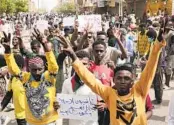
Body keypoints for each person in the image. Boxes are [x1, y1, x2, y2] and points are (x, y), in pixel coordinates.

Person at [63, 27, 166, 124]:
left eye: (126, 78)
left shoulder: (139, 90)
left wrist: (157, 46)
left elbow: (149, 70)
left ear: (132, 80)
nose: (122, 81)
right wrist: (73, 56)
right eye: (119, 78)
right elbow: (89, 79)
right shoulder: (109, 93)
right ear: (114, 80)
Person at [1, 30, 59, 125]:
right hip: (31, 122)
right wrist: (8, 51)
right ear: (29, 69)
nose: (37, 72)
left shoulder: (49, 77)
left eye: (40, 69)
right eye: (34, 70)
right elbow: (14, 70)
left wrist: (44, 44)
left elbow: (54, 66)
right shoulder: (25, 78)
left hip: (49, 121)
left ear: (44, 68)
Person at [61, 50, 98, 125]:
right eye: (78, 64)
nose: (80, 67)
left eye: (84, 64)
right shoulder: (67, 83)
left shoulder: (96, 82)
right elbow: (64, 108)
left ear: (89, 64)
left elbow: (104, 102)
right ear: (73, 64)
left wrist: (102, 105)